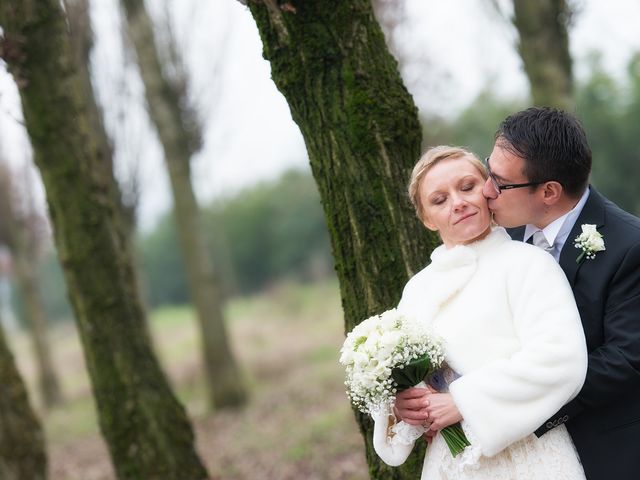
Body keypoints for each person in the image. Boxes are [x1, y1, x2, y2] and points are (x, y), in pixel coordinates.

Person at [373, 145, 588, 479]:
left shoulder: (528, 263)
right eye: (439, 200)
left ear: (489, 189)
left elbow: (560, 358)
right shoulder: (417, 289)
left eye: (467, 186)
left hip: (528, 455)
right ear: (427, 219)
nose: (458, 202)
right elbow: (406, 375)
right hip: (450, 464)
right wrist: (400, 408)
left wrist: (464, 401)